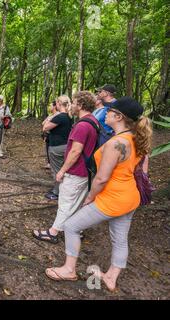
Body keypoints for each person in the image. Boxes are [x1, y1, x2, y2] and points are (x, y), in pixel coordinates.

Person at [45, 97, 152, 292]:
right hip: (130, 197)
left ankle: (69, 269)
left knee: (71, 225)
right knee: (120, 238)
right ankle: (111, 276)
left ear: (118, 116)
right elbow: (142, 169)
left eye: (109, 110)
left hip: (113, 199)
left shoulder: (116, 143)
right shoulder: (136, 138)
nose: (105, 112)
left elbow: (101, 178)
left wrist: (90, 197)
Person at [33, 91, 99, 243]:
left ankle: (53, 232)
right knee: (77, 202)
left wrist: (62, 170)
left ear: (81, 105)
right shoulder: (93, 121)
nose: (72, 106)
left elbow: (76, 151)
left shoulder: (83, 125)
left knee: (66, 202)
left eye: (74, 103)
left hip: (76, 171)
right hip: (86, 171)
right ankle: (77, 228)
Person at [42, 95, 73, 200]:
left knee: (56, 170)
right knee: (62, 169)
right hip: (65, 146)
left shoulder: (60, 117)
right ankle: (61, 189)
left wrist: (50, 117)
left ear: (59, 104)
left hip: (57, 147)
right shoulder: (69, 116)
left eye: (56, 103)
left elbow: (45, 127)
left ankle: (56, 192)